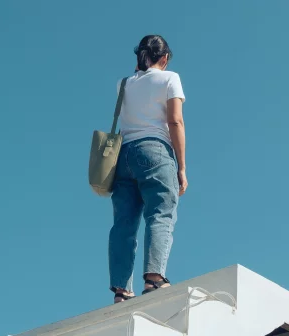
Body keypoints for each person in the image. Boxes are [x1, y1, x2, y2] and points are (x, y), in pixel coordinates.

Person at [108, 35, 188, 303]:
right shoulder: (170, 78)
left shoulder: (123, 84)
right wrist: (182, 167)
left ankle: (121, 290)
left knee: (124, 224)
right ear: (164, 58)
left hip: (123, 156)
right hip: (154, 150)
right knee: (161, 212)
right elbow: (175, 121)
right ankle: (154, 279)